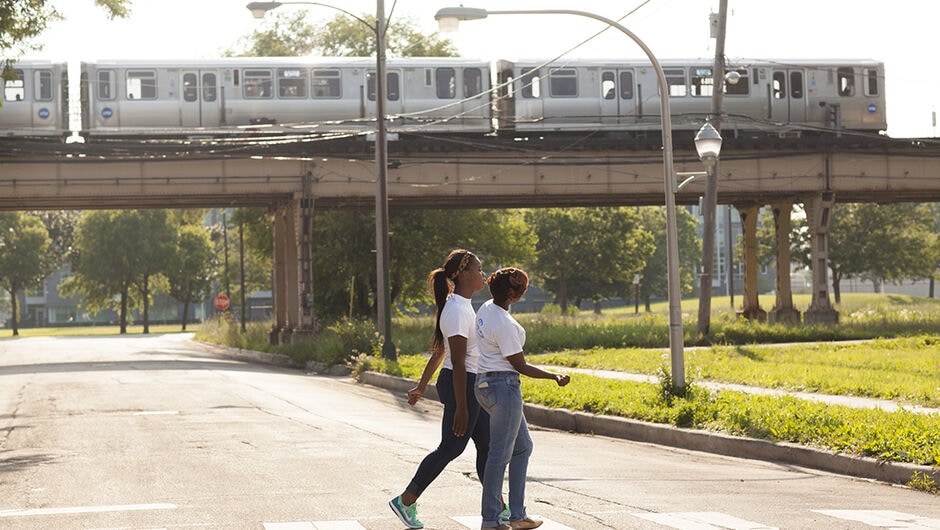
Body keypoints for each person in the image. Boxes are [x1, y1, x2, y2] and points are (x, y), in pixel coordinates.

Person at [389, 249, 508, 529]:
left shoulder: (460, 305)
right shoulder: (456, 309)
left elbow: (440, 351)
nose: (482, 274)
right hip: (462, 383)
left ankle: (499, 507)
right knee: (451, 447)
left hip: (469, 382)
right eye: (479, 269)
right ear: (465, 274)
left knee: (487, 447)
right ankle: (406, 500)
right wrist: (462, 407)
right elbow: (456, 359)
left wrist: (420, 386)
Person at [474, 267, 570, 530]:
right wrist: (554, 376)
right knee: (499, 455)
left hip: (484, 384)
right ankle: (491, 519)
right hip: (503, 387)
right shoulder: (504, 324)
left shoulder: (486, 308)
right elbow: (520, 365)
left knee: (522, 447)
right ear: (514, 296)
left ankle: (517, 515)